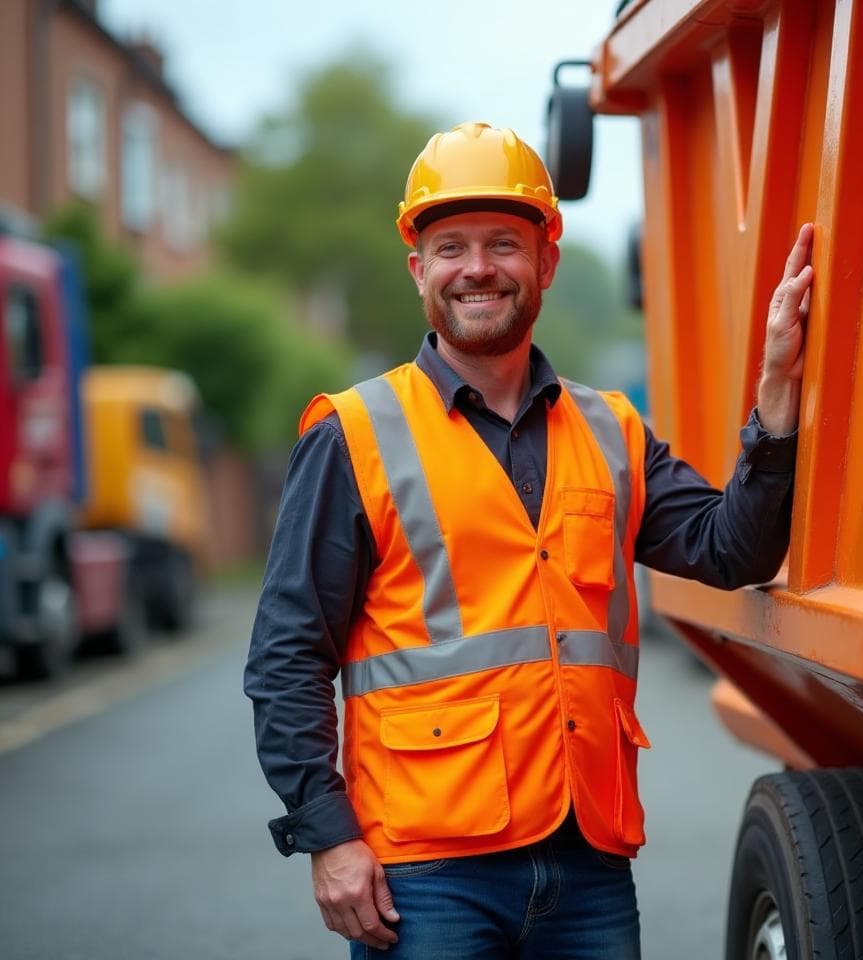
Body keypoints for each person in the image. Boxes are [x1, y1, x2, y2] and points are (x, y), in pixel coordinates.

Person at [245, 120, 814, 958]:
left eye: (504, 243)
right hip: (426, 875)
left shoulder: (611, 429)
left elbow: (731, 549)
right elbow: (287, 655)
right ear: (419, 272)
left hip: (587, 866)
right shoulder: (354, 432)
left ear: (545, 262)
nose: (477, 268)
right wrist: (328, 837)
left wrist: (774, 395)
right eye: (451, 248)